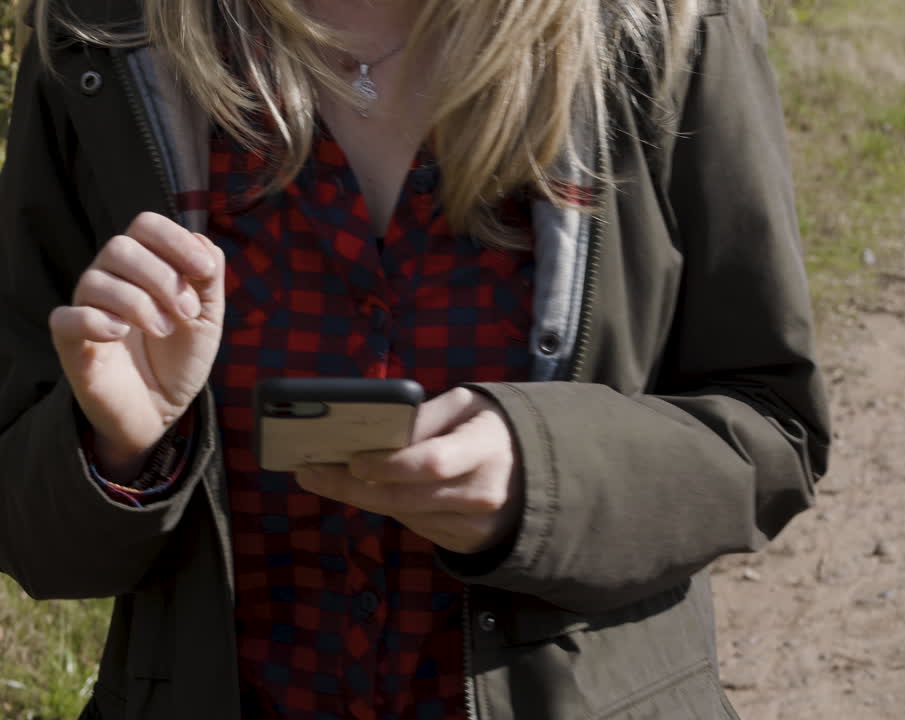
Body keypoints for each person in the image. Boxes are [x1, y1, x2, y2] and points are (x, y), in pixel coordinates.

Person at [0, 0, 829, 717]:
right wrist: (114, 447)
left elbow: (770, 435)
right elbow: (35, 542)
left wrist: (542, 477)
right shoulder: (100, 37)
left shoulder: (660, 23)